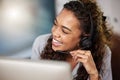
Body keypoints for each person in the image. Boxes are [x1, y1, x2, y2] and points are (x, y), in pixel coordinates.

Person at [31, 0, 112, 80]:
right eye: (55, 24)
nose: (55, 33)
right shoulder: (40, 43)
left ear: (85, 37)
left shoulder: (104, 52)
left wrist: (93, 74)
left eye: (65, 31)